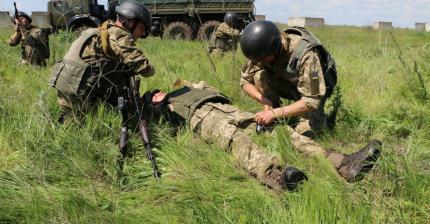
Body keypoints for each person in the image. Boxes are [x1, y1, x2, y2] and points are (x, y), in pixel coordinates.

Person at [146, 80, 381, 190]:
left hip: (230, 110)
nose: (160, 93)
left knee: (279, 129)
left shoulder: (186, 87)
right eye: (154, 95)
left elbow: (212, 89)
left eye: (160, 91)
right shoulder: (166, 108)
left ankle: (344, 164)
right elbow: (165, 126)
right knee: (239, 141)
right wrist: (157, 106)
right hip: (206, 120)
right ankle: (277, 178)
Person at [239, 20, 381, 181]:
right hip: (291, 85)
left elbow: (311, 101)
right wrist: (267, 103)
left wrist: (275, 113)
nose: (259, 62)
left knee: (307, 135)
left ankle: (345, 165)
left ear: (274, 48)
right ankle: (344, 164)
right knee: (259, 76)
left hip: (314, 93)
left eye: (263, 59)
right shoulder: (261, 51)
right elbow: (244, 82)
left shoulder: (305, 54)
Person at [49, 0, 155, 122]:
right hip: (80, 93)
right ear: (128, 22)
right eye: (141, 27)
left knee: (72, 122)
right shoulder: (118, 33)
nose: (142, 33)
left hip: (66, 88)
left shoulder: (98, 30)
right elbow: (143, 67)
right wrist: (151, 69)